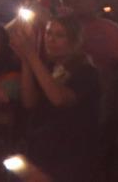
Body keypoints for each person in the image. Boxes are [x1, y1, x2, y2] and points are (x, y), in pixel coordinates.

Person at [12, 14, 101, 182]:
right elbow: (29, 101)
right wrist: (26, 60)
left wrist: (31, 55)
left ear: (75, 41)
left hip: (71, 152)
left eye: (60, 36)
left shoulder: (87, 72)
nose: (51, 40)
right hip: (44, 146)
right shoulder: (49, 68)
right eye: (48, 33)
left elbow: (59, 99)